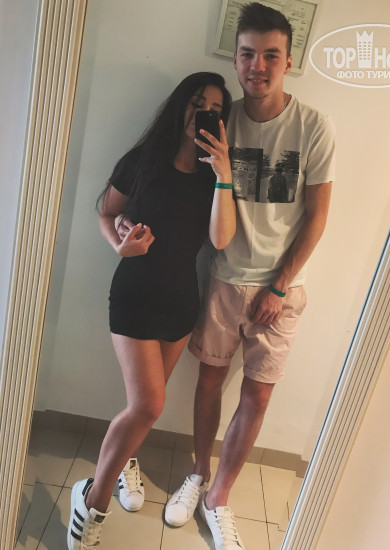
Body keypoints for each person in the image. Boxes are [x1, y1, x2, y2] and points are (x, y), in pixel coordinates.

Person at [164, 4, 336, 550]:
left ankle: (219, 497)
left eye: (270, 55)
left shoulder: (313, 126)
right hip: (224, 275)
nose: (257, 66)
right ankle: (198, 473)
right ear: (235, 60)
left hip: (283, 288)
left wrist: (280, 284)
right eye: (247, 54)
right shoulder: (221, 120)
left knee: (257, 397)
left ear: (288, 61)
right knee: (208, 381)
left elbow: (318, 217)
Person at [67, 72, 235, 550]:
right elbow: (106, 212)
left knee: (142, 409)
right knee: (148, 405)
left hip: (180, 303)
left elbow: (221, 238)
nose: (202, 113)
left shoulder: (213, 176)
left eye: (214, 109)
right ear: (181, 104)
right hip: (135, 294)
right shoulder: (141, 161)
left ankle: (124, 464)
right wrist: (119, 245)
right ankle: (92, 503)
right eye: (196, 102)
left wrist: (224, 172)